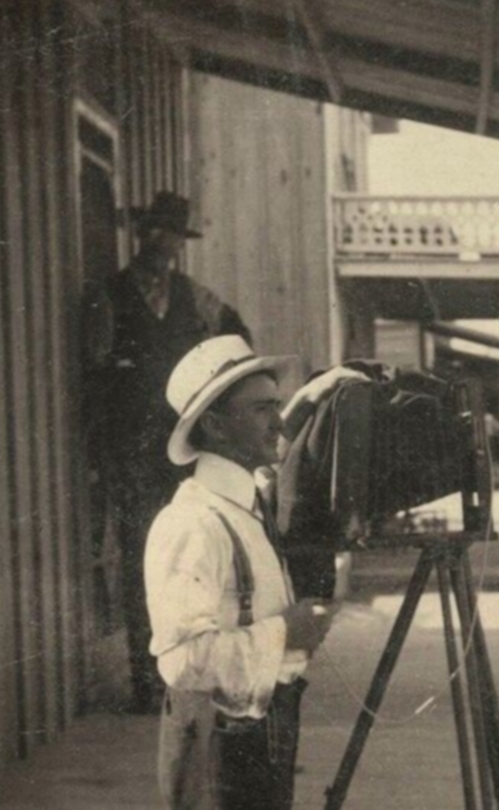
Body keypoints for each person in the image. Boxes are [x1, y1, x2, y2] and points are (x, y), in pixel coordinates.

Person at [146, 335, 336, 810]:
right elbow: (181, 661)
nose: (278, 422)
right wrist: (285, 633)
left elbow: (277, 449)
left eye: (277, 406)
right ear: (214, 425)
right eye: (262, 410)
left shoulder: (245, 503)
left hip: (257, 736)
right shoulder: (193, 522)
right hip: (217, 750)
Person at [92, 192, 251, 714]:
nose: (163, 241)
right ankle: (147, 681)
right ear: (141, 234)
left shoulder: (195, 298)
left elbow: (237, 338)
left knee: (193, 556)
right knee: (143, 558)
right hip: (133, 452)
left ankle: (189, 676)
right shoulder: (109, 295)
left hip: (183, 451)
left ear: (182, 243)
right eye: (155, 230)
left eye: (173, 233)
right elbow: (93, 373)